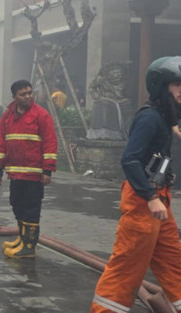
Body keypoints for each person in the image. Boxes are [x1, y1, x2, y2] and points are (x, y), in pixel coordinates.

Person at [90, 56, 181, 313]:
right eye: (177, 84)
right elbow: (130, 159)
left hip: (159, 197)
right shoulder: (149, 118)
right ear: (162, 87)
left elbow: (156, 153)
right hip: (144, 201)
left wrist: (167, 175)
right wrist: (150, 196)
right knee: (127, 266)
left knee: (173, 260)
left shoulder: (165, 117)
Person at [0, 80, 57, 259]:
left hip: (34, 174)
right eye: (23, 94)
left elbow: (50, 143)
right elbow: (1, 143)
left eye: (30, 92)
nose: (28, 96)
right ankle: (22, 239)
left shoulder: (41, 115)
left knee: (31, 208)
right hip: (15, 173)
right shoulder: (7, 116)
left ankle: (29, 246)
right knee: (16, 204)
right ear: (14, 97)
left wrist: (47, 170)